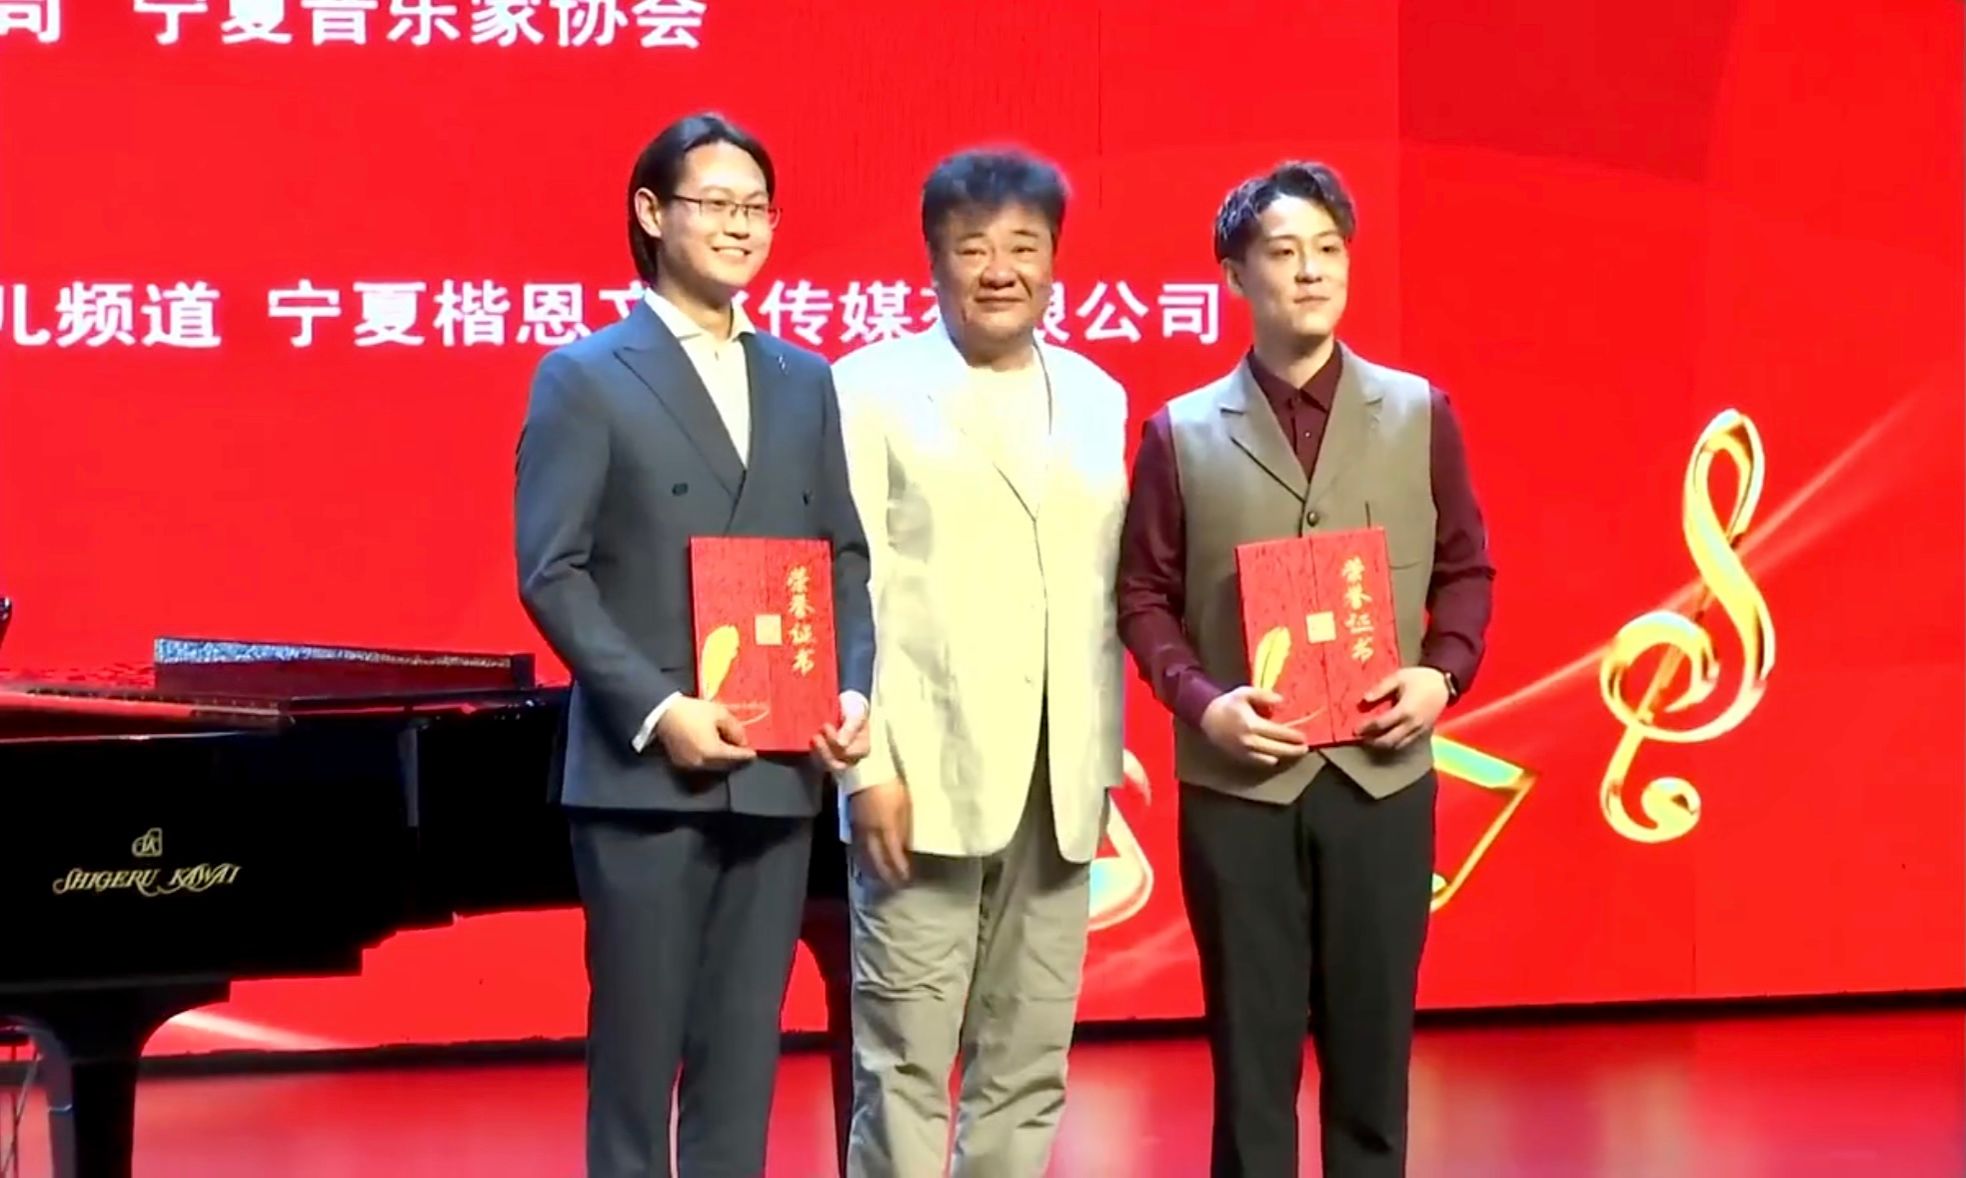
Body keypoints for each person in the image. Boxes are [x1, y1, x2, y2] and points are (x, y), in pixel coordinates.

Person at [515, 111, 876, 1178]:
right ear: (650, 212)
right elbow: (552, 572)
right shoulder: (586, 374)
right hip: (645, 779)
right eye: (716, 204)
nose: (741, 226)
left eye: (757, 208)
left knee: (743, 1056)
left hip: (777, 767)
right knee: (637, 1061)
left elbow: (843, 557)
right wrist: (659, 707)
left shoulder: (804, 377)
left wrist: (851, 692)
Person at [1117, 161, 1495, 1177]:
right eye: (1284, 253)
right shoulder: (1179, 431)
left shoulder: (1417, 411)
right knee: (1253, 1063)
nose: (1312, 271)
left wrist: (1441, 675)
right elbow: (1142, 598)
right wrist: (1204, 705)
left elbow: (1466, 570)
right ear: (1234, 274)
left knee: (1373, 1054)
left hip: (1382, 778)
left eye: (1328, 249)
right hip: (1239, 787)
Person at [831, 148, 1134, 1177]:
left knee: (1029, 1061)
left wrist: (1100, 750)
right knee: (904, 1061)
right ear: (933, 261)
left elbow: (1101, 586)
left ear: (1055, 260)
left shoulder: (1096, 393)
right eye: (973, 248)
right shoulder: (868, 388)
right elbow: (849, 584)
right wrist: (865, 769)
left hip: (1060, 783)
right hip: (923, 778)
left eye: (1024, 246)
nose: (1000, 270)